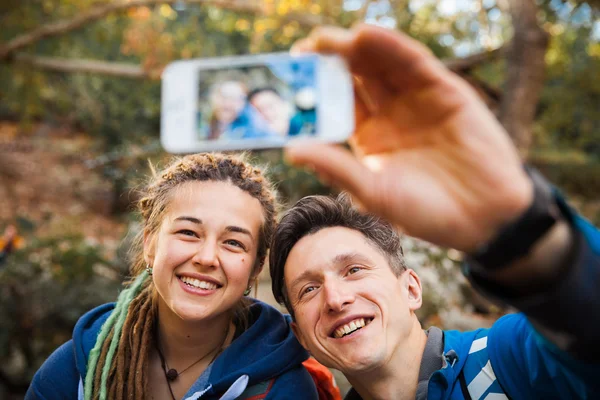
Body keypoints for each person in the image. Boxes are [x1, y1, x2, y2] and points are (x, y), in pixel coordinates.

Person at [268, 24, 600, 399]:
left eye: (354, 269)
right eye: (309, 289)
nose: (335, 298)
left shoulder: (507, 358)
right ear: (300, 336)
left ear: (410, 288)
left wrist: (521, 229)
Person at [26, 153, 318, 400]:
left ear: (256, 267)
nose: (206, 258)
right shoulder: (76, 371)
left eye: (233, 242)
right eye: (188, 233)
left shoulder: (282, 389)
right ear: (149, 243)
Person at [206, 81, 279, 140]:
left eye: (234, 99)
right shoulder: (208, 125)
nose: (228, 104)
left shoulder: (251, 126)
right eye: (224, 97)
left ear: (243, 104)